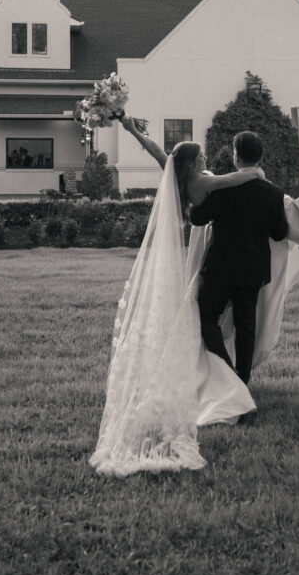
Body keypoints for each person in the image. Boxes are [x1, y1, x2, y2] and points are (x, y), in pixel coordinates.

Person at [89, 120, 266, 476]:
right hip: (204, 251)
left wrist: (130, 127)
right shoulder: (201, 180)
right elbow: (231, 180)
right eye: (200, 156)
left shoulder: (177, 176)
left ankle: (220, 374)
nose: (205, 159)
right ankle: (227, 381)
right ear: (191, 164)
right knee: (202, 318)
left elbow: (159, 152)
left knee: (201, 316)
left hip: (200, 249)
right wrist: (256, 174)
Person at [190, 131, 288, 388]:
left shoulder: (223, 189)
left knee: (206, 317)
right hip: (252, 270)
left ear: (236, 156)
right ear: (260, 158)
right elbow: (279, 233)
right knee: (246, 325)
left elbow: (198, 218)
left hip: (220, 267)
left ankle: (226, 370)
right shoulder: (273, 194)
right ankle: (242, 380)